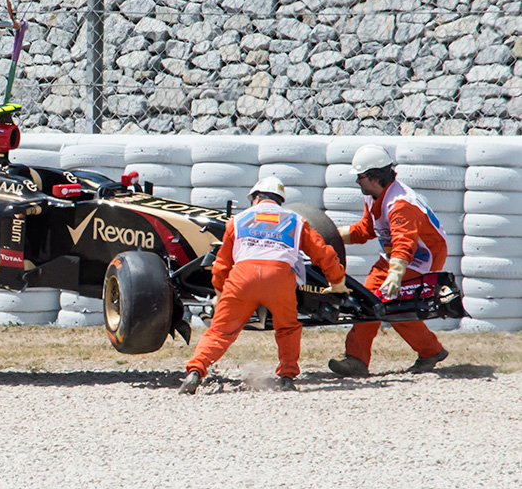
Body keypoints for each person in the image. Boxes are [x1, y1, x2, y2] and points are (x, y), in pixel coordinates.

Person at [180, 176, 348, 394]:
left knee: (221, 332)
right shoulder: (295, 220)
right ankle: (287, 377)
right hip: (279, 278)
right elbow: (323, 253)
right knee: (287, 328)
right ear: (280, 200)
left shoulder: (238, 220)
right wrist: (337, 281)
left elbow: (221, 263)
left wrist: (220, 291)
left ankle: (195, 371)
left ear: (257, 198)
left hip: (242, 278)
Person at [328, 144, 450, 377]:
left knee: (394, 307)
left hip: (422, 258)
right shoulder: (373, 195)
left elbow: (405, 243)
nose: (357, 181)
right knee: (367, 301)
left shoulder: (400, 204)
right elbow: (365, 230)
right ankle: (357, 360)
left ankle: (430, 351)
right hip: (394, 256)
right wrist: (329, 236)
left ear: (375, 177)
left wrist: (395, 275)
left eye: (360, 177)